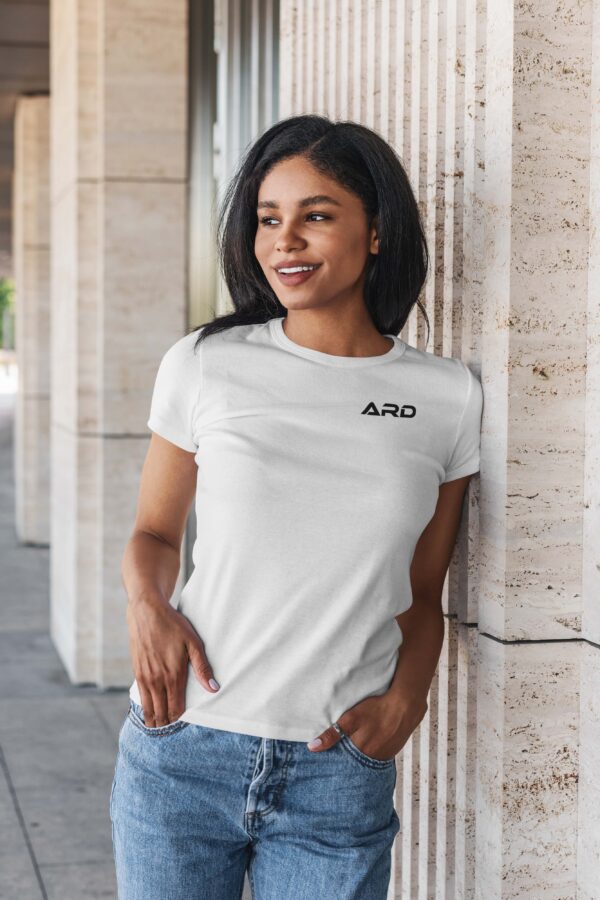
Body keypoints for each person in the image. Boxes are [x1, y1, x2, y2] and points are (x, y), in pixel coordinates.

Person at [109, 114, 484, 900]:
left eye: (315, 215)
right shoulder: (208, 364)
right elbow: (152, 532)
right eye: (268, 220)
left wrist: (405, 703)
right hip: (185, 749)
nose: (285, 242)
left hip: (333, 771)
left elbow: (421, 593)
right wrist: (147, 606)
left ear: (376, 232)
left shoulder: (445, 397)